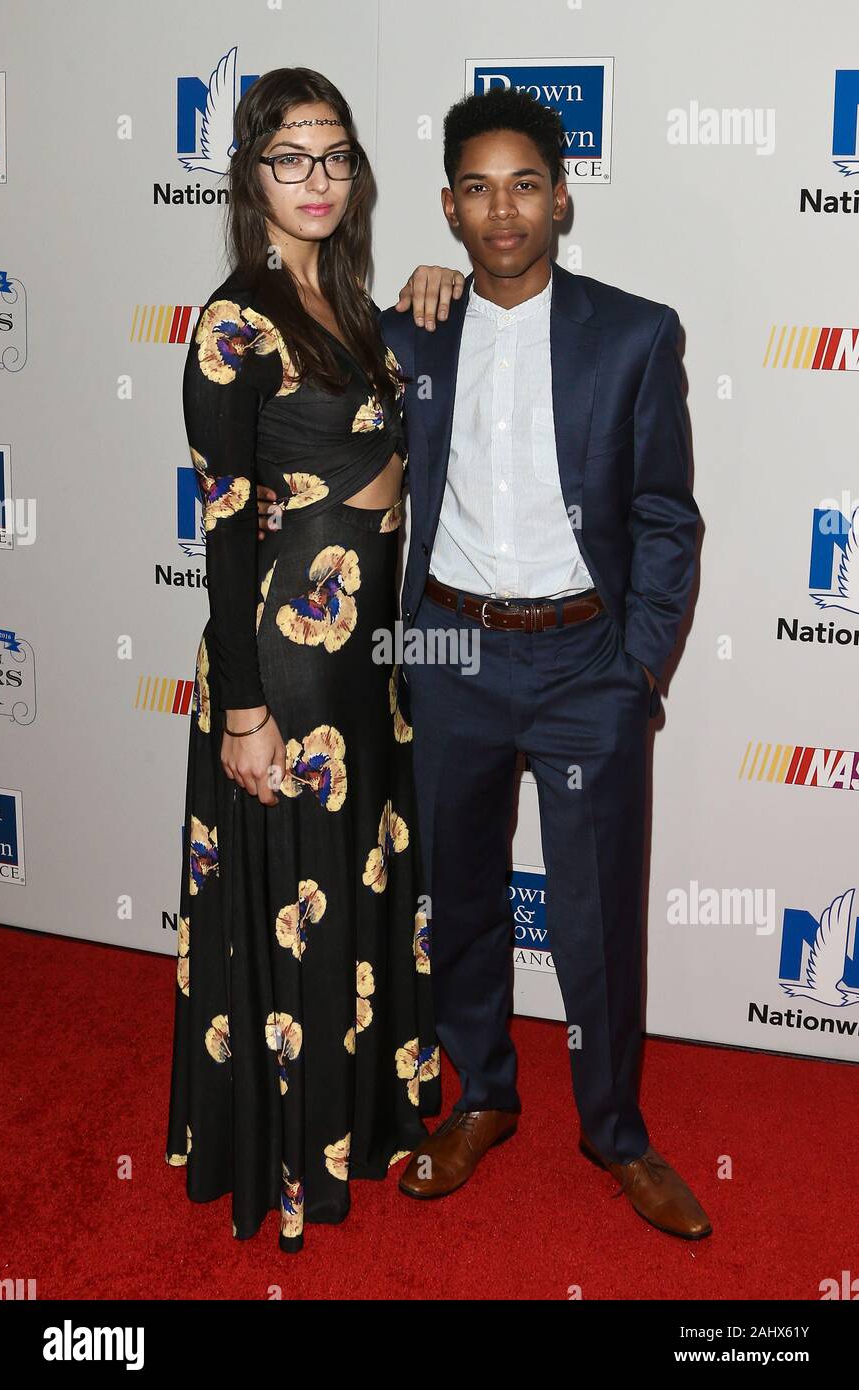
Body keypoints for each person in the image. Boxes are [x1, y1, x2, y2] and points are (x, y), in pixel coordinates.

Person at [377, 87, 712, 1239]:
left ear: (561, 196)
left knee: (595, 917)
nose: (501, 208)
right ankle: (479, 1098)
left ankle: (614, 1131)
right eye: (475, 188)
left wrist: (637, 670)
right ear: (448, 209)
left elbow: (666, 514)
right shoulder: (408, 331)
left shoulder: (632, 331)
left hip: (584, 664)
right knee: (456, 899)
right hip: (447, 649)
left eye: (523, 183)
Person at [164, 65, 461, 1253]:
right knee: (296, 902)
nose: (317, 179)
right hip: (284, 671)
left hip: (366, 666)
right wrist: (242, 709)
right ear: (248, 176)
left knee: (356, 888)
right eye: (289, 157)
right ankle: (288, 1156)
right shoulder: (232, 320)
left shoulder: (353, 309)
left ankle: (364, 1119)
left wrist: (432, 281)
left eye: (335, 154)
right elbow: (225, 529)